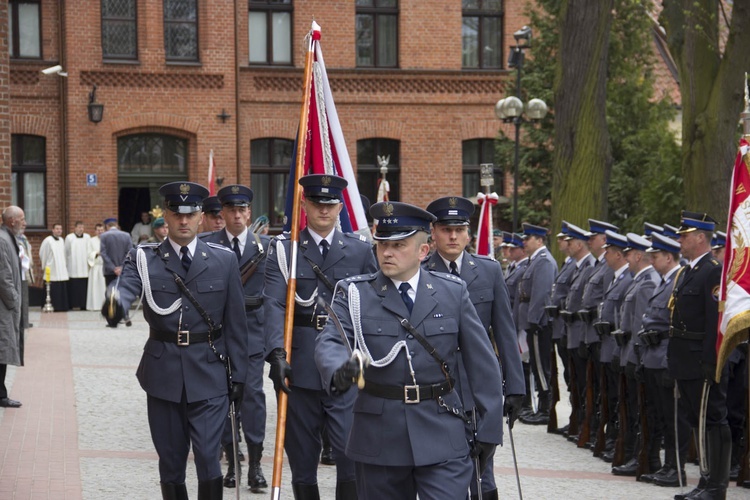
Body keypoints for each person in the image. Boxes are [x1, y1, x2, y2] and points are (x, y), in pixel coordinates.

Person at [314, 201, 505, 500]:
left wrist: (490, 429)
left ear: (422, 251)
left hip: (441, 428)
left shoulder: (452, 292)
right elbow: (331, 341)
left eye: (398, 245)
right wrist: (340, 370)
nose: (387, 252)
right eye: (382, 244)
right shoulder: (354, 293)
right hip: (379, 435)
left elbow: (482, 363)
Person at [102, 181, 248, 500]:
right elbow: (125, 287)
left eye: (190, 214)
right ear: (164, 216)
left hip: (209, 371)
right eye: (175, 214)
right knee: (170, 462)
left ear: (200, 217)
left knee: (210, 460)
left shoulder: (223, 260)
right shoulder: (144, 257)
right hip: (163, 373)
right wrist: (115, 303)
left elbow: (237, 325)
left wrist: (240, 377)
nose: (183, 221)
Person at [264, 174, 377, 499]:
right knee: (301, 457)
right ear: (304, 204)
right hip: (299, 368)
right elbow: (272, 303)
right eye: (316, 203)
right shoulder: (285, 251)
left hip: (345, 365)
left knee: (349, 451)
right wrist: (276, 353)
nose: (323, 210)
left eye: (329, 204)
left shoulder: (359, 251)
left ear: (340, 206)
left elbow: (372, 305)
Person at [424, 196, 525, 500]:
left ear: (468, 233)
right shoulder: (421, 271)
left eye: (458, 229)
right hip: (436, 385)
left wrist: (516, 388)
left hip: (478, 384)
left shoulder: (489, 271)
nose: (452, 236)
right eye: (445, 229)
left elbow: (505, 332)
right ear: (433, 232)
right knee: (440, 468)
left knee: (483, 469)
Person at [200, 184, 282, 493]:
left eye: (242, 209)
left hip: (252, 331)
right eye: (230, 210)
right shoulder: (207, 243)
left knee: (253, 396)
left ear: (249, 212)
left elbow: (275, 294)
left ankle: (256, 465)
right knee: (222, 397)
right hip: (219, 333)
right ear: (222, 213)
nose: (236, 215)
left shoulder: (268, 247)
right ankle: (233, 463)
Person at [670, 211, 731, 500]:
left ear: (700, 237)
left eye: (684, 235)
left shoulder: (713, 270)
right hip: (685, 359)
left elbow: (714, 321)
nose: (679, 240)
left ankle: (716, 486)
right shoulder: (688, 271)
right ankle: (704, 481)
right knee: (698, 419)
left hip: (702, 359)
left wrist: (712, 358)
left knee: (713, 420)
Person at [637, 232, 690, 488]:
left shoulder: (677, 281)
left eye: (655, 256)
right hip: (653, 357)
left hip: (666, 357)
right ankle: (666, 465)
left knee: (674, 418)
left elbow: (675, 326)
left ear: (669, 257)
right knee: (660, 415)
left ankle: (676, 467)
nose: (652, 260)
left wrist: (672, 362)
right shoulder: (664, 281)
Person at [597, 231, 633, 464]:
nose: (605, 255)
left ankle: (617, 440)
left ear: (619, 254)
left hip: (618, 347)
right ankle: (612, 438)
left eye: (608, 251)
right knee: (610, 395)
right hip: (608, 346)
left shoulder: (628, 279)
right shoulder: (617, 278)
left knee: (620, 398)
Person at [517, 223, 558, 426]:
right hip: (532, 321)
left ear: (539, 240)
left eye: (528, 238)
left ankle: (545, 407)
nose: (524, 242)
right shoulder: (536, 261)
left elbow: (541, 294)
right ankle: (541, 407)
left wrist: (533, 320)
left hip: (538, 323)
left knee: (541, 366)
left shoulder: (543, 262)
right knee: (536, 364)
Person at [560, 222, 596, 442]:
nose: (567, 244)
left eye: (571, 241)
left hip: (582, 332)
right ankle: (579, 418)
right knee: (573, 379)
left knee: (584, 382)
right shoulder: (576, 267)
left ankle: (586, 423)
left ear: (580, 243)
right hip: (570, 331)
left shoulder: (589, 267)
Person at [0, 206, 24, 409]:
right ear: (12, 221)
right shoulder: (2, 240)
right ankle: (1, 395)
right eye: (22, 218)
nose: (25, 222)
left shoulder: (8, 237)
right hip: (3, 307)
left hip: (6, 306)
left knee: (4, 349)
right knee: (2, 348)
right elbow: (4, 276)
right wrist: (14, 301)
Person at [39, 223, 70, 312]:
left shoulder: (61, 240)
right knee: (52, 287)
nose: (59, 230)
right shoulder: (48, 240)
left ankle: (61, 306)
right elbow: (43, 253)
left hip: (61, 267)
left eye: (60, 229)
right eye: (57, 229)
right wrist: (45, 265)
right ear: (53, 230)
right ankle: (51, 305)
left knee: (61, 286)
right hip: (51, 267)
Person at [100, 218, 133, 286]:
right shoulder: (126, 235)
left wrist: (113, 268)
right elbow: (130, 252)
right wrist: (121, 267)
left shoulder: (103, 236)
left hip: (109, 271)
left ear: (107, 226)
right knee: (123, 291)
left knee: (110, 292)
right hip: (124, 270)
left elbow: (103, 253)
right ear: (116, 225)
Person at [65, 221, 91, 310]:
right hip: (73, 266)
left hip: (84, 266)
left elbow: (89, 250)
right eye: (79, 227)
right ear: (75, 228)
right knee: (73, 286)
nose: (81, 229)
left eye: (82, 227)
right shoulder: (69, 238)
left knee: (84, 287)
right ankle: (72, 304)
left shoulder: (87, 237)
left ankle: (83, 305)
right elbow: (66, 251)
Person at [86, 223, 106, 311]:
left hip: (104, 266)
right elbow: (88, 254)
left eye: (101, 230)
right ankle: (94, 306)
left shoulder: (107, 239)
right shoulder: (91, 241)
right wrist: (96, 253)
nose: (100, 232)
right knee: (95, 288)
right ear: (95, 231)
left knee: (104, 287)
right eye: (98, 230)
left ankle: (104, 306)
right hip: (95, 266)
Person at [17, 225, 33, 329]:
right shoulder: (16, 240)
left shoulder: (24, 238)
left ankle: (26, 320)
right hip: (20, 272)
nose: (24, 226)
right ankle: (22, 321)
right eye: (21, 225)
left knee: (25, 298)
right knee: (21, 299)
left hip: (26, 270)